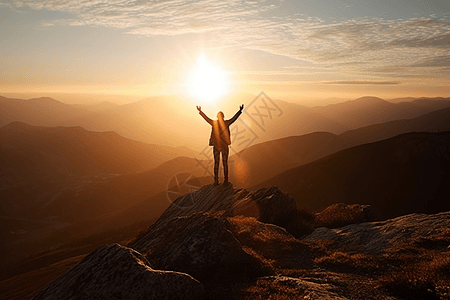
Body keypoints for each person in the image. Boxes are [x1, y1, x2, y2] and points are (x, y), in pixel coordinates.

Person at [197, 104, 244, 184]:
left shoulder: (214, 123)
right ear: (223, 117)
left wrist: (200, 112)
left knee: (216, 163)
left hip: (216, 145)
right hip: (224, 145)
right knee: (225, 162)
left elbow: (206, 119)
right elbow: (234, 119)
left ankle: (216, 180)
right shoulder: (226, 123)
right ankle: (225, 180)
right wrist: (239, 111)